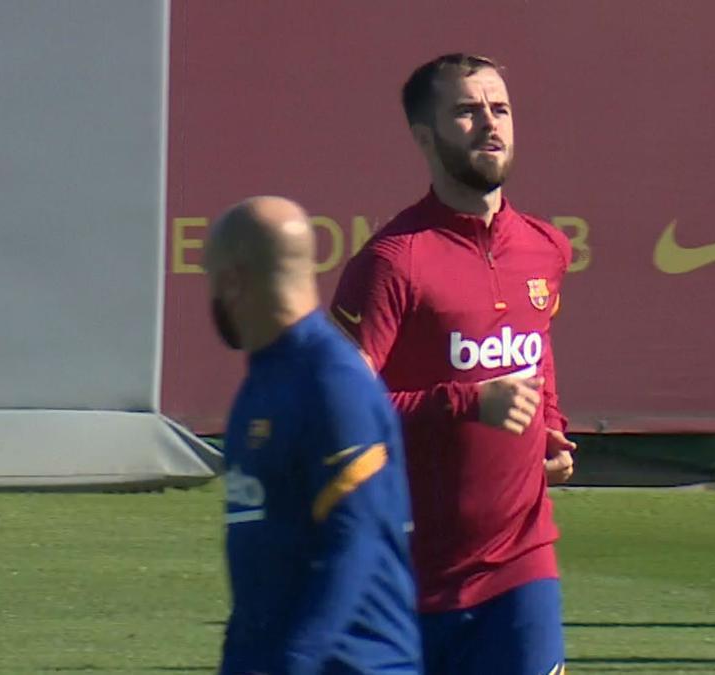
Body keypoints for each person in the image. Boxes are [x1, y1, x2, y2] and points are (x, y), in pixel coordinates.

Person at [331, 54, 575, 675]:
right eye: (466, 111)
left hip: (522, 563)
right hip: (406, 572)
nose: (490, 124)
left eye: (500, 108)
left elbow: (535, 348)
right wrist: (466, 402)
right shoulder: (394, 261)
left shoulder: (546, 247)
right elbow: (339, 413)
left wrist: (549, 422)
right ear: (423, 137)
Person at [207, 196, 421, 675]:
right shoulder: (259, 388)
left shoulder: (333, 383)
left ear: (234, 282)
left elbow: (355, 542)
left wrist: (295, 662)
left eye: (212, 282)